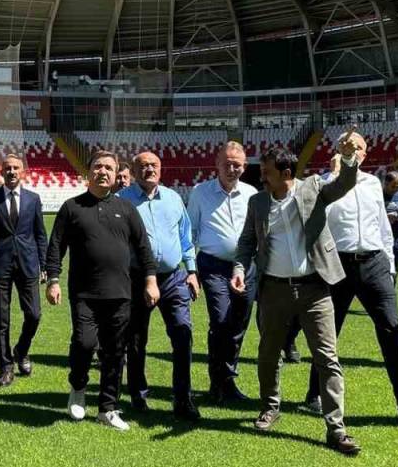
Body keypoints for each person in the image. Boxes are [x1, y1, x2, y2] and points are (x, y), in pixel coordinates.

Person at [232, 134, 363, 456]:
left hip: (315, 289)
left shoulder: (313, 188)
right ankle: (270, 407)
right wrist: (239, 268)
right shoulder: (258, 202)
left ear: (286, 173)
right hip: (273, 289)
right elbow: (248, 241)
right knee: (268, 353)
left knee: (327, 358)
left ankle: (336, 428)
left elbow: (344, 184)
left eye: (267, 172)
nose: (261, 176)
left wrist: (348, 160)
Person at [302, 143, 398, 432]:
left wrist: (389, 266)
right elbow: (312, 223)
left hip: (374, 262)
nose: (353, 151)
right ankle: (313, 395)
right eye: (347, 146)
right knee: (329, 335)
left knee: (393, 334)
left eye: (358, 147)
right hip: (337, 265)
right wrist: (333, 176)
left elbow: (382, 224)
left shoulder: (371, 184)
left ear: (365, 154)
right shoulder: (321, 184)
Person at [45, 150, 158, 432]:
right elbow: (56, 246)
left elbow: (144, 248)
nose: (103, 172)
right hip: (84, 293)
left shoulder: (126, 209)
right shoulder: (72, 208)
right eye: (98, 167)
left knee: (115, 352)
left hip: (121, 293)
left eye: (109, 168)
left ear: (116, 173)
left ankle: (107, 408)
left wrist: (150, 280)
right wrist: (53, 280)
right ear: (89, 172)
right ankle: (78, 386)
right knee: (84, 343)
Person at [118, 152, 201, 420]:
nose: (149, 169)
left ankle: (182, 398)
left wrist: (192, 271)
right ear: (133, 170)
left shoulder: (174, 199)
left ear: (161, 169)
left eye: (153, 165)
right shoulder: (122, 201)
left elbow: (186, 237)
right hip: (136, 279)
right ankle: (138, 396)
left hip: (173, 278)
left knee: (182, 334)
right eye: (142, 166)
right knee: (136, 340)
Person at [185, 141, 258, 404]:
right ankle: (220, 381)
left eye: (237, 164)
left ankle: (224, 381)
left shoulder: (252, 194)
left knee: (238, 325)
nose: (231, 168)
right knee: (221, 320)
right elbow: (189, 232)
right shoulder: (200, 192)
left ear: (244, 166)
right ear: (216, 164)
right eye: (226, 164)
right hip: (213, 266)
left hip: (246, 267)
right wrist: (191, 269)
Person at [0, 154, 47, 387]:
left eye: (16, 168)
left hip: (28, 264)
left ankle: (21, 350)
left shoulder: (33, 199)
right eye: (7, 168)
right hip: (0, 265)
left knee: (34, 314)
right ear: (1, 172)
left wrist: (45, 264)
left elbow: (40, 234)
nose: (12, 172)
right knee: (1, 320)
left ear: (23, 172)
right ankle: (5, 367)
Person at [383, 171, 398, 272]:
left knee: (395, 271)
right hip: (380, 242)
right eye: (394, 186)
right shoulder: (376, 197)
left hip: (397, 241)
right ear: (386, 184)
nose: (396, 189)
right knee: (381, 272)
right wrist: (384, 218)